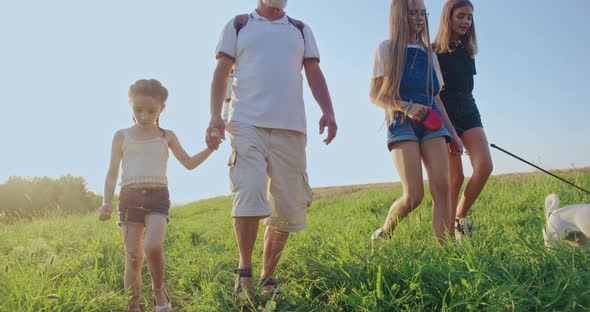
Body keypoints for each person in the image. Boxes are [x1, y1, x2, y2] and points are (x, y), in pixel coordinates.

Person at [207, 0, 338, 300]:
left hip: (291, 126)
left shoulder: (301, 30)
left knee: (287, 207)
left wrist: (328, 110)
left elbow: (314, 72)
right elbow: (222, 71)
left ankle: (268, 275)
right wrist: (215, 115)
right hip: (245, 121)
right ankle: (245, 272)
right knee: (250, 189)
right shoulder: (239, 24)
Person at [98, 79, 216, 311]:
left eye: (151, 111)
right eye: (138, 110)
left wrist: (210, 148)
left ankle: (158, 290)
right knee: (133, 256)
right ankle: (133, 304)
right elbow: (112, 173)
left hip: (157, 199)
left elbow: (189, 163)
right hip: (129, 199)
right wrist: (106, 202)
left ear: (162, 108)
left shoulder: (166, 136)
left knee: (152, 247)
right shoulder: (121, 136)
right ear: (130, 104)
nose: (144, 116)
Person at [369, 0, 464, 243]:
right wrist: (407, 107)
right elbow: (375, 95)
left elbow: (436, 99)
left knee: (442, 187)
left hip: (433, 124)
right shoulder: (386, 49)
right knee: (413, 196)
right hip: (402, 123)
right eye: (413, 13)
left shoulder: (430, 54)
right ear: (399, 16)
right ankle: (384, 234)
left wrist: (452, 134)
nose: (419, 18)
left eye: (423, 13)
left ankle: (444, 251)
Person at [433, 0, 493, 240]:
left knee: (485, 166)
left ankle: (460, 216)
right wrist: (448, 130)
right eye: (461, 16)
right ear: (448, 17)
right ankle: (446, 237)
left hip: (469, 108)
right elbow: (435, 91)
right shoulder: (434, 50)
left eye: (469, 17)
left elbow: (466, 87)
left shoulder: (468, 51)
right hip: (445, 112)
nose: (466, 21)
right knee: (455, 178)